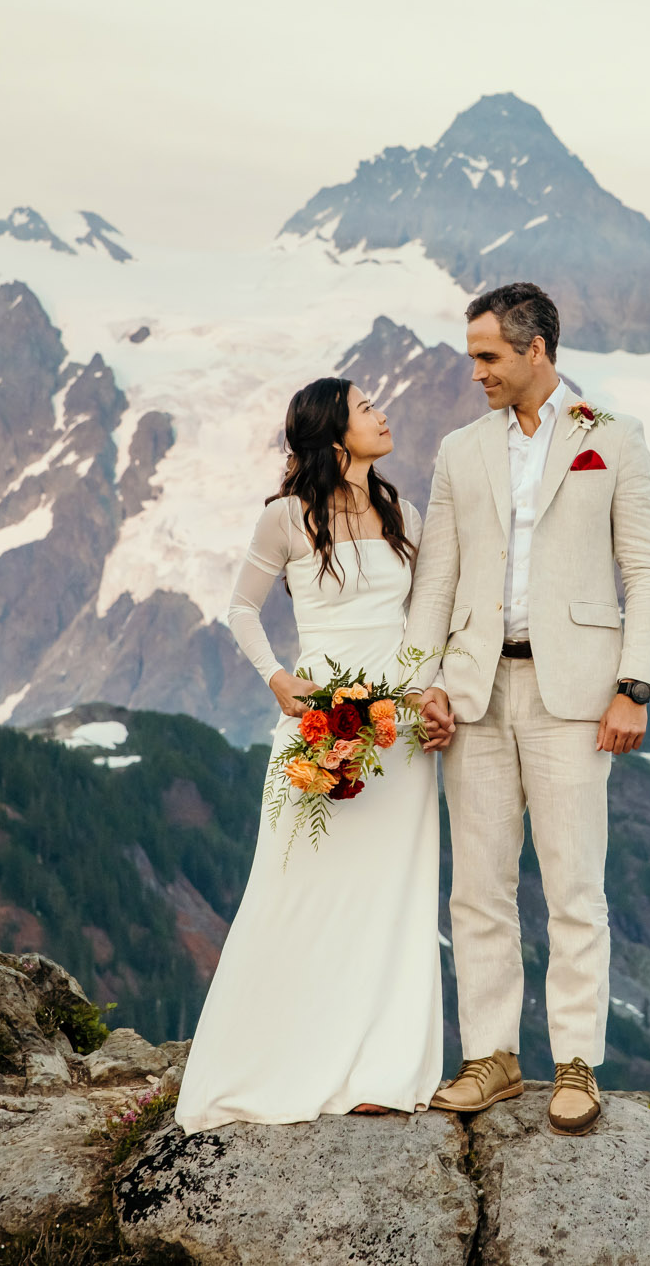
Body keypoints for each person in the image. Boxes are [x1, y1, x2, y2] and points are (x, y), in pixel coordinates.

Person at [405, 282, 650, 1137]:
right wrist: (424, 680)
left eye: (488, 356)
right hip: (475, 690)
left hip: (576, 695)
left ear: (536, 351)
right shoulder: (458, 451)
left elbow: (647, 572)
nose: (475, 370)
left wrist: (633, 685)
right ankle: (493, 1056)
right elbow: (434, 577)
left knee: (572, 883)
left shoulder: (613, 442)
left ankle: (578, 1062)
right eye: (473, 355)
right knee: (477, 885)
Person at [175, 377, 451, 1130]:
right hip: (319, 721)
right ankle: (273, 1057)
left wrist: (430, 691)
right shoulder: (285, 518)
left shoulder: (405, 514)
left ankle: (381, 1067)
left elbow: (428, 618)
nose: (384, 413)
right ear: (334, 432)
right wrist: (276, 677)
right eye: (367, 407)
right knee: (293, 889)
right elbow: (240, 607)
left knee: (392, 897)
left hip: (394, 733)